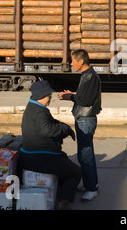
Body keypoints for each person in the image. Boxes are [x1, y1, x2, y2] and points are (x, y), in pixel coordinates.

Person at [17, 80, 81, 210]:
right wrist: (64, 130)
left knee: (63, 157)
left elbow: (50, 122)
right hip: (39, 158)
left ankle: (62, 189)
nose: (50, 98)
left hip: (29, 155)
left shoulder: (33, 106)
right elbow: (46, 129)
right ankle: (63, 201)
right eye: (48, 95)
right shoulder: (40, 112)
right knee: (76, 172)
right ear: (41, 95)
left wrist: (64, 126)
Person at [58, 49, 102, 202]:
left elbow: (85, 101)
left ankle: (92, 188)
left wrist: (70, 96)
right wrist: (73, 95)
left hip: (86, 119)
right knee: (83, 155)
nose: (71, 63)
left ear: (81, 61)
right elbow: (83, 97)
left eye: (73, 60)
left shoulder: (90, 77)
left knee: (86, 154)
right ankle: (89, 183)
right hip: (83, 118)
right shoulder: (87, 75)